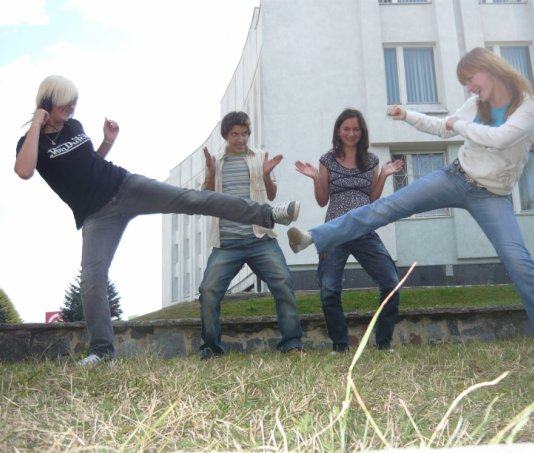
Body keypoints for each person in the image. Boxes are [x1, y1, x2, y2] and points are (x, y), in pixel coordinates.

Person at [288, 48, 534, 345]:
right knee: (386, 207)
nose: (469, 88)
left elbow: (501, 138)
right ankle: (312, 236)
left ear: (489, 69)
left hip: (492, 196)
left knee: (518, 259)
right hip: (456, 176)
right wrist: (407, 115)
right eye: (465, 83)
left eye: (470, 80)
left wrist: (458, 125)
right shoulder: (476, 104)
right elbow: (442, 127)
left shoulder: (528, 105)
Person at [15, 75, 300, 366]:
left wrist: (107, 143)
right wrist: (37, 123)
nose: (72, 107)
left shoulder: (74, 126)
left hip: (125, 186)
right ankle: (102, 351)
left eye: (74, 102)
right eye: (66, 101)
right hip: (96, 216)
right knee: (92, 277)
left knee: (192, 199)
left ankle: (267, 213)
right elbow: (24, 171)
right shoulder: (30, 142)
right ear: (48, 100)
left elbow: (86, 165)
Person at [294, 108, 403, 352]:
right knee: (329, 289)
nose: (351, 133)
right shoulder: (327, 160)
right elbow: (322, 200)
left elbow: (371, 198)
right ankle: (340, 345)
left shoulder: (371, 160)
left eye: (356, 129)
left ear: (362, 131)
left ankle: (383, 343)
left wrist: (384, 176)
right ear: (338, 131)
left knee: (391, 282)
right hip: (334, 232)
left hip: (364, 230)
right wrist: (315, 178)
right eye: (346, 129)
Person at [198, 111, 304, 359]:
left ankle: (292, 344)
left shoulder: (259, 157)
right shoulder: (216, 161)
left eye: (245, 134)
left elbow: (272, 195)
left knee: (283, 283)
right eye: (235, 134)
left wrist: (266, 174)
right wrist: (211, 173)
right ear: (226, 136)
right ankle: (211, 349)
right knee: (208, 291)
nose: (241, 139)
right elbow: (205, 200)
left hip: (260, 238)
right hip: (227, 243)